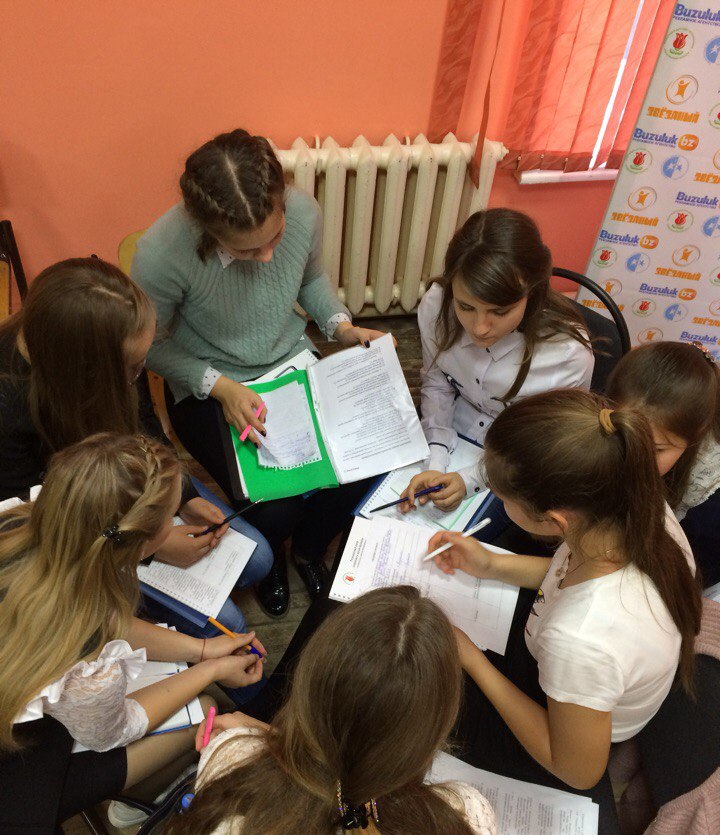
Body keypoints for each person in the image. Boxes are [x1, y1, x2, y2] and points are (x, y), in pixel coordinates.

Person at [131, 129, 387, 617]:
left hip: (290, 360)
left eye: (276, 237)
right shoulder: (161, 254)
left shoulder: (304, 210)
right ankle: (271, 561)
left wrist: (341, 327)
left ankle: (308, 550)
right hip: (207, 382)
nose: (267, 257)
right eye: (248, 251)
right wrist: (222, 387)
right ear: (206, 229)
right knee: (275, 505)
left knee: (363, 460)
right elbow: (151, 347)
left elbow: (310, 278)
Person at [165, 586, 496, 835]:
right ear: (437, 727)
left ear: (307, 686)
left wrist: (260, 737)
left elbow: (321, 779)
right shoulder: (466, 817)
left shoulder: (231, 755)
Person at [0, 434, 264, 835]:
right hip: (17, 772)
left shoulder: (23, 522)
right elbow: (112, 731)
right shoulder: (85, 657)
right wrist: (207, 672)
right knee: (205, 710)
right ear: (139, 546)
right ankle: (135, 803)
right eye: (171, 518)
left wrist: (202, 650)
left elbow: (107, 620)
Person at [427, 390, 701, 791]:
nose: (498, 501)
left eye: (502, 498)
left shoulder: (580, 639)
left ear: (556, 521)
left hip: (569, 732)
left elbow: (578, 771)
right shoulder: (632, 507)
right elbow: (565, 574)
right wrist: (491, 565)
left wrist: (471, 659)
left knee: (417, 694)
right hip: (579, 684)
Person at [0, 257, 273, 637]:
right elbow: (39, 525)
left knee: (259, 559)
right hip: (83, 530)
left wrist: (184, 495)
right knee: (228, 624)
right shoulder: (9, 408)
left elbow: (145, 426)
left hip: (136, 487)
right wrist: (148, 547)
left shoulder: (113, 342)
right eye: (132, 367)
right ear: (85, 369)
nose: (141, 374)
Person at [399, 208, 594, 519]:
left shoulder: (567, 356)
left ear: (532, 292)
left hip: (520, 464)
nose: (479, 328)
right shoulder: (437, 305)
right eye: (465, 306)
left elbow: (547, 443)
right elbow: (437, 381)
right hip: (454, 431)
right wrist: (435, 458)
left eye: (500, 312)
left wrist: (473, 479)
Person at [607, 340, 720, 587]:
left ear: (697, 436)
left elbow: (668, 587)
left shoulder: (708, 519)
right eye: (621, 434)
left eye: (656, 449)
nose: (632, 455)